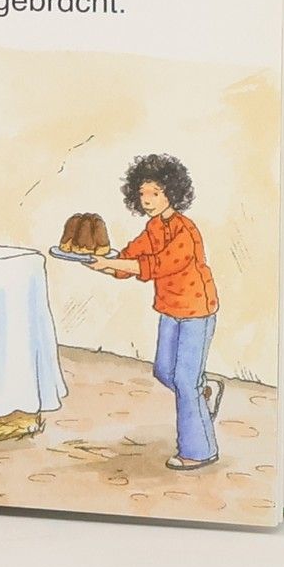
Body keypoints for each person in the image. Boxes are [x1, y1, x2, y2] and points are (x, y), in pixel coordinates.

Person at [88, 153, 223, 470]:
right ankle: (205, 391)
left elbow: (156, 265)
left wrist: (114, 264)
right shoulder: (153, 227)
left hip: (197, 311)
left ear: (172, 193)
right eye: (142, 193)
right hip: (169, 309)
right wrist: (101, 263)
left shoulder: (185, 231)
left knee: (184, 382)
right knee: (164, 371)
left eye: (155, 193)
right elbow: (131, 256)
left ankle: (198, 450)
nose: (147, 200)